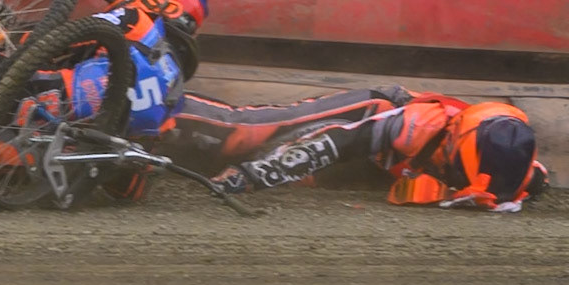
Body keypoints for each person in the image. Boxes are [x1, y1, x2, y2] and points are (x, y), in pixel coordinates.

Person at [209, 91, 548, 212]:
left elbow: (537, 180)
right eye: (458, 170)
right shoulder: (418, 124)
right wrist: (256, 175)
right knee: (245, 132)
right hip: (364, 119)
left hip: (368, 170)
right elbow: (338, 142)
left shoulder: (521, 174)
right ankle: (167, 114)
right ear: (452, 140)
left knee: (274, 169)